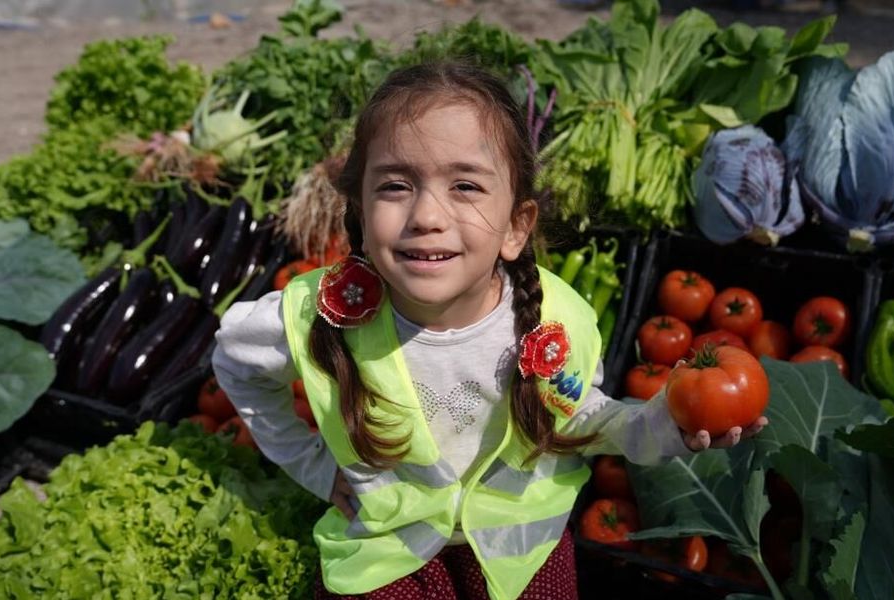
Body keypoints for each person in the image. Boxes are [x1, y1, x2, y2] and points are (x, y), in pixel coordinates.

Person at [211, 61, 767, 600]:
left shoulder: (557, 319)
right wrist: (313, 466)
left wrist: (660, 427)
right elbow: (235, 361)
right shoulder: (317, 314)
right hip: (388, 549)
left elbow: (580, 417)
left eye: (466, 187)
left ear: (516, 227)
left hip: (518, 550)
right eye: (396, 185)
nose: (427, 214)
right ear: (358, 208)